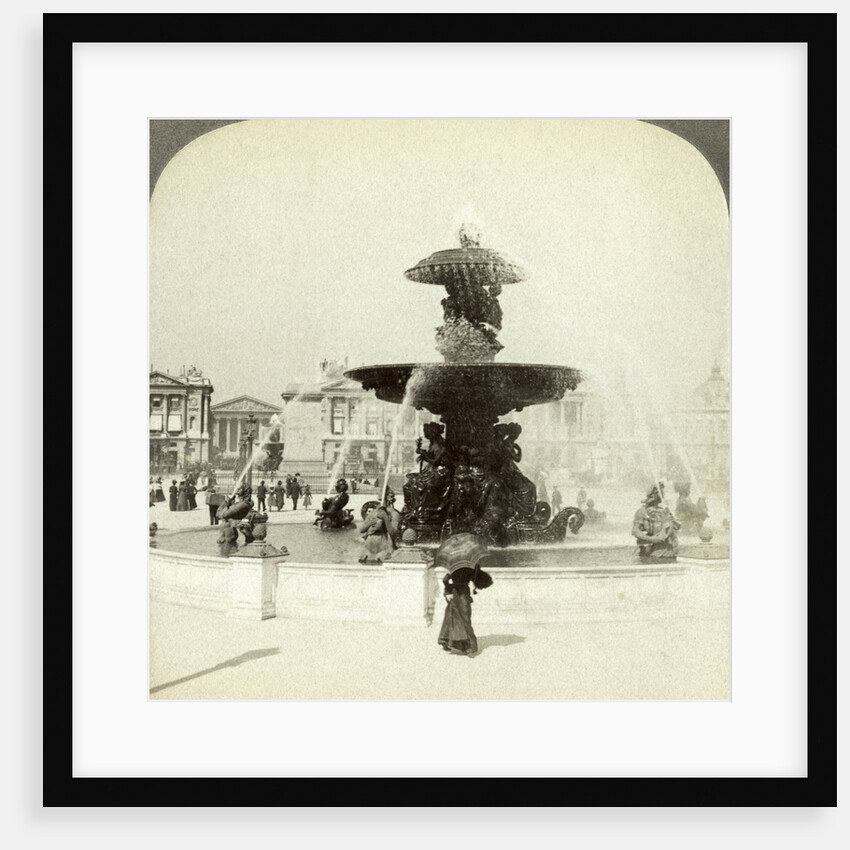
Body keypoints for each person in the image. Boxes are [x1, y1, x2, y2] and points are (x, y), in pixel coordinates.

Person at [436, 534, 493, 657]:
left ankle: (446, 641)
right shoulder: (471, 567)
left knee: (452, 617)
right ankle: (470, 646)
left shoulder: (453, 567)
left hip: (455, 592)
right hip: (463, 593)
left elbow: (445, 580)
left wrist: (448, 592)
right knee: (465, 618)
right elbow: (478, 580)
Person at [632, 483, 680, 560]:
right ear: (655, 495)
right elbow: (635, 531)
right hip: (653, 550)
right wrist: (652, 539)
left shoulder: (664, 510)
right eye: (661, 492)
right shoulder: (642, 511)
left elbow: (676, 527)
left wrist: (674, 521)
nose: (663, 495)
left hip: (669, 549)